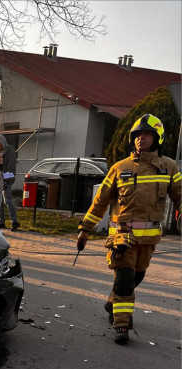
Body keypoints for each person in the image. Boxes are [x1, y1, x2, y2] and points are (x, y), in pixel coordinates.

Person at [77, 114, 181, 345]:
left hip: (149, 240)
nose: (140, 138)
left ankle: (112, 301)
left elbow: (180, 195)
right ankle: (122, 324)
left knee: (137, 276)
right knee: (125, 278)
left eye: (146, 134)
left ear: (157, 138)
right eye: (137, 135)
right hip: (122, 238)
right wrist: (85, 229)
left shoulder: (169, 167)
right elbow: (100, 202)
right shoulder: (119, 168)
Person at [0, 133, 20, 231]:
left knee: (7, 200)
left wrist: (6, 180)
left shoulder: (10, 151)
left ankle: (14, 222)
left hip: (8, 177)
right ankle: (2, 221)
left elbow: (11, 167)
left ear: (3, 143)